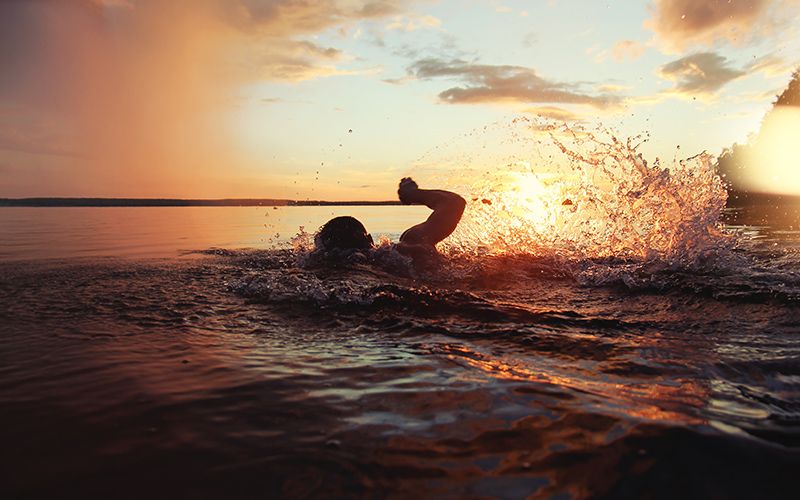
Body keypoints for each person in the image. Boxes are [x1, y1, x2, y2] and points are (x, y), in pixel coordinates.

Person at [313, 177, 466, 267]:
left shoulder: (320, 267)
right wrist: (413, 194)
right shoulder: (403, 248)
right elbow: (454, 203)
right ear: (370, 239)